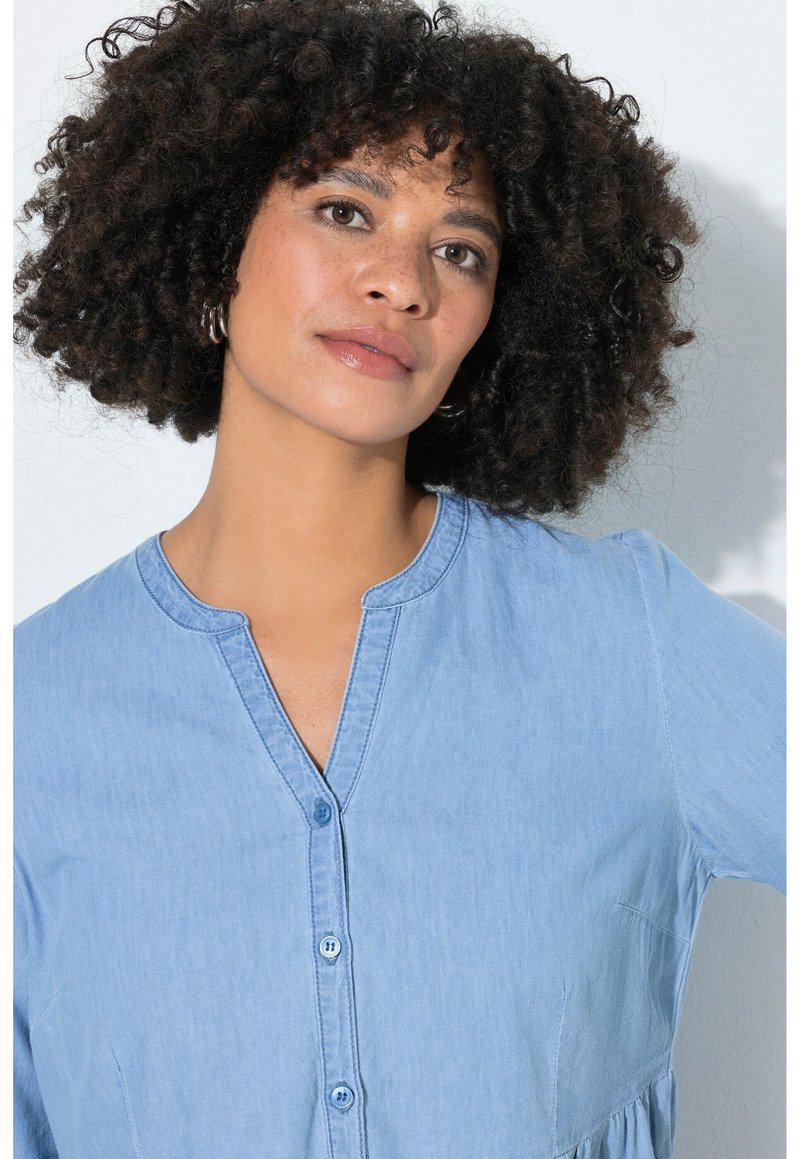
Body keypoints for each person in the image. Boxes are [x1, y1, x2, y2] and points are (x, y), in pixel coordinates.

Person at [12, 1, 785, 1157]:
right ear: (214, 246)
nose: (402, 282)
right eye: (344, 210)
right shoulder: (33, 707)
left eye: (459, 250)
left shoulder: (630, 640)